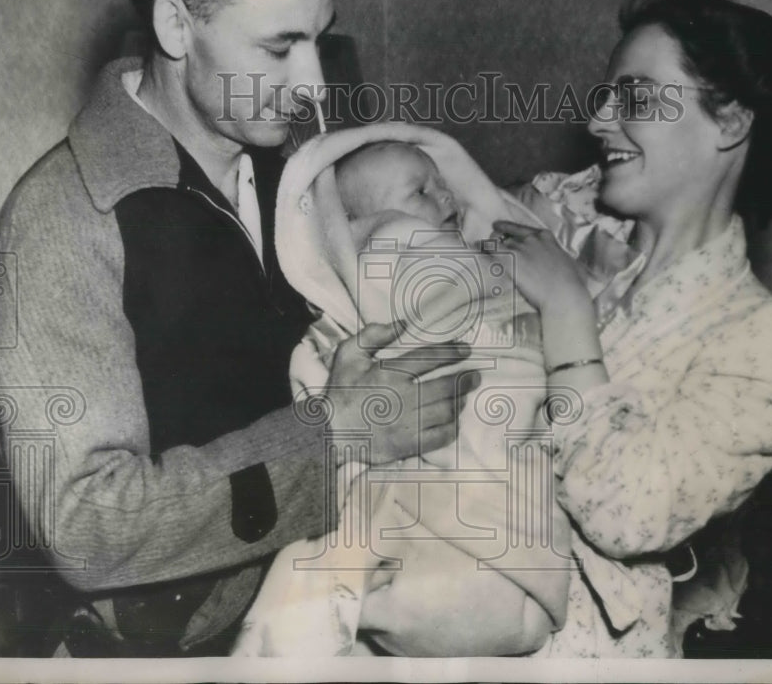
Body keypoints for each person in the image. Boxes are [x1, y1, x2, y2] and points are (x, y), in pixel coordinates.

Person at [0, 0, 473, 657]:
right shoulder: (61, 218)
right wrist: (334, 436)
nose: (312, 85)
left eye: (320, 38)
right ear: (177, 26)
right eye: (279, 48)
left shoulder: (301, 163)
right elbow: (87, 526)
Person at [366, 0, 772, 657]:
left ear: (730, 121)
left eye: (635, 98)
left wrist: (566, 311)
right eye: (605, 94)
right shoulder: (551, 218)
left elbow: (629, 513)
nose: (598, 119)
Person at [233, 127, 579, 657]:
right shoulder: (390, 250)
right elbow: (322, 367)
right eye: (419, 191)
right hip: (440, 483)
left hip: (502, 447)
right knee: (373, 536)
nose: (446, 198)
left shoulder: (485, 259)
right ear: (354, 227)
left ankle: (346, 608)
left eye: (444, 184)